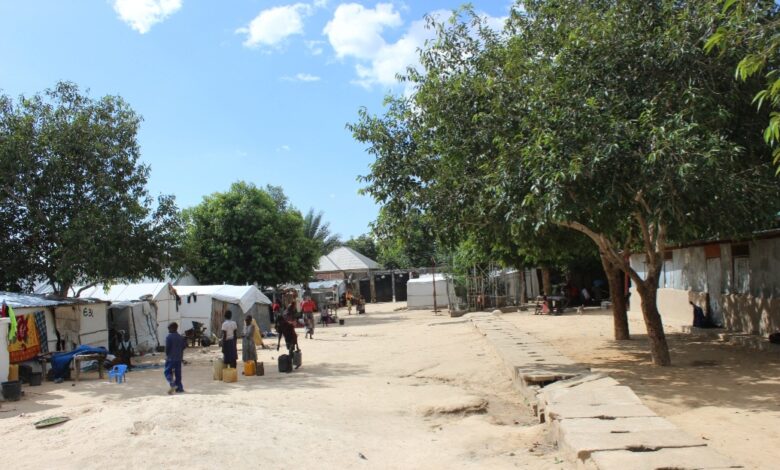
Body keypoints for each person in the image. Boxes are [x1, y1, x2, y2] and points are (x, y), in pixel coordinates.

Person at [164, 322, 187, 395]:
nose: (168, 330)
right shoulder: (180, 337)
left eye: (169, 328)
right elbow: (184, 346)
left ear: (172, 328)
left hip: (170, 358)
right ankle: (179, 388)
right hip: (179, 358)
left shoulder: (169, 337)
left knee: (167, 372)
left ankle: (172, 383)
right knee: (178, 374)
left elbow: (167, 348)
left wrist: (167, 355)